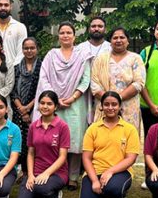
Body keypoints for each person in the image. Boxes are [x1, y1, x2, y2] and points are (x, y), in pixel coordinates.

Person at [33, 22, 93, 189]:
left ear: (74, 36)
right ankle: (57, 173)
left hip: (76, 104)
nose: (65, 35)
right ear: (58, 36)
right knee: (54, 140)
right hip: (54, 104)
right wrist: (55, 98)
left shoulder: (82, 55)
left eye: (69, 32)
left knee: (74, 140)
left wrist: (73, 97)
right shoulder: (51, 55)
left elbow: (86, 79)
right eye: (62, 32)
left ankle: (73, 176)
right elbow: (44, 77)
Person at [80, 92, 139, 198]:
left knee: (112, 188)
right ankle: (101, 196)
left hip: (120, 172)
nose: (110, 107)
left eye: (114, 104)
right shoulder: (93, 129)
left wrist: (110, 171)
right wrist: (95, 180)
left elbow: (131, 158)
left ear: (120, 107)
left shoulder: (129, 129)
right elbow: (86, 157)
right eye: (106, 104)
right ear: (101, 106)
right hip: (95, 172)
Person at [16, 90, 70, 198]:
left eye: (49, 104)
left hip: (57, 173)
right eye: (42, 103)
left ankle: (55, 195)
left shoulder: (62, 126)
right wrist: (30, 175)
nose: (45, 106)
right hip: (36, 171)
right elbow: (30, 153)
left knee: (41, 187)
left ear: (55, 106)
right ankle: (42, 195)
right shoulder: (33, 126)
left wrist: (46, 174)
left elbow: (62, 157)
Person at [90, 27, 146, 133]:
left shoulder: (136, 58)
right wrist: (109, 103)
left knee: (128, 139)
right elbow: (94, 85)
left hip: (129, 108)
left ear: (127, 41)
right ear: (110, 41)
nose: (118, 40)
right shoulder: (100, 59)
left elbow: (139, 83)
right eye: (115, 38)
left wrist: (117, 99)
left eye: (122, 37)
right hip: (105, 109)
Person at [10, 37, 42, 175]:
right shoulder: (16, 68)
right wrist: (22, 109)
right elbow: (12, 90)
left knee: (34, 139)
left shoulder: (42, 67)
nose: (29, 51)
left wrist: (29, 108)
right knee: (19, 139)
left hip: (36, 108)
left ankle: (34, 168)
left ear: (37, 49)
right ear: (22, 50)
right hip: (18, 109)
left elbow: (42, 89)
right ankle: (21, 169)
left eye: (32, 48)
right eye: (26, 48)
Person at [76, 15, 112, 123]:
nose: (96, 28)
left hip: (103, 91)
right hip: (83, 93)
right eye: (93, 26)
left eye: (100, 26)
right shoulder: (80, 48)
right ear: (89, 29)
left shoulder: (111, 48)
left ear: (105, 29)